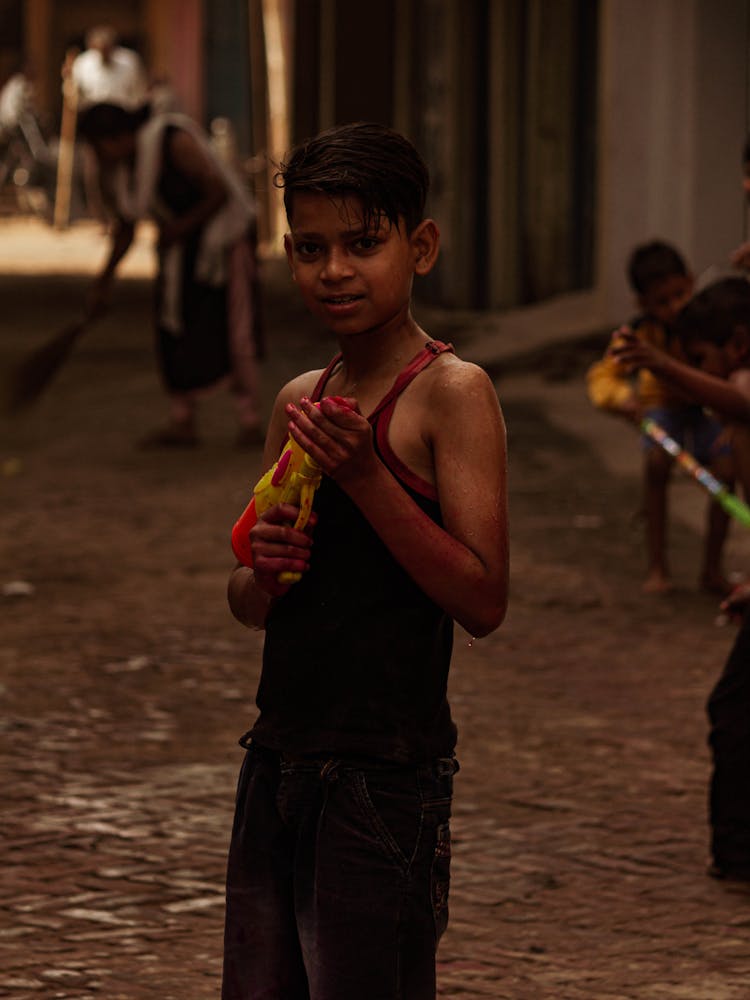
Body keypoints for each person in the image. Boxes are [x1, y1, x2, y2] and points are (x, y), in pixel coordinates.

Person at [222, 122, 509, 998]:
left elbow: (483, 597)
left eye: (362, 244)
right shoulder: (300, 400)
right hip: (278, 756)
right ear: (287, 253)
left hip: (385, 775)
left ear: (418, 246)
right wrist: (261, 572)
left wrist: (368, 477)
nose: (335, 270)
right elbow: (248, 597)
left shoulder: (450, 395)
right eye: (311, 249)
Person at [612, 276, 750, 880]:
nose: (698, 376)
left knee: (734, 710)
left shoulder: (742, 387)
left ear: (738, 343)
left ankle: (739, 853)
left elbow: (737, 397)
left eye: (702, 359)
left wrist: (661, 364)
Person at [77, 101, 263, 448]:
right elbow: (126, 228)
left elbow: (219, 192)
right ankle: (183, 420)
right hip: (179, 251)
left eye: (97, 144)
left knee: (233, 326)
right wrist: (103, 280)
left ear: (114, 137)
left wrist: (180, 228)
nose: (97, 153)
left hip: (223, 243)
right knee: (172, 326)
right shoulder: (124, 170)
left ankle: (249, 418)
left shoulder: (171, 140)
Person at [586, 240, 730, 594]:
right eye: (661, 302)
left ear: (691, 281)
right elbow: (603, 376)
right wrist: (622, 399)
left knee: (727, 474)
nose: (674, 307)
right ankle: (657, 567)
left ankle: (712, 569)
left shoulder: (711, 321)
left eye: (680, 294)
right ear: (643, 304)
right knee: (656, 465)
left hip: (708, 409)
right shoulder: (639, 334)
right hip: (664, 411)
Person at [68, 25, 147, 111]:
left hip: (123, 113)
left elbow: (139, 91)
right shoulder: (82, 63)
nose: (104, 52)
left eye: (107, 48)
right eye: (100, 48)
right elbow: (76, 95)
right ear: (92, 46)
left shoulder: (129, 60)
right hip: (92, 114)